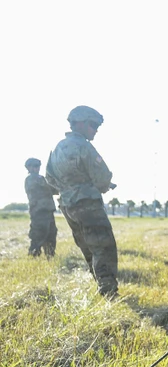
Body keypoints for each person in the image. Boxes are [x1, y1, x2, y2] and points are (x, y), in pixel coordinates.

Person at [45, 106, 119, 298]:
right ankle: (109, 292)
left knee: (88, 248)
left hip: (68, 206)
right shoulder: (84, 146)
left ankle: (101, 285)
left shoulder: (57, 148)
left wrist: (68, 188)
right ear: (79, 123)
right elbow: (103, 177)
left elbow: (49, 179)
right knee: (103, 246)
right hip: (88, 204)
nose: (95, 130)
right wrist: (101, 186)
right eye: (93, 125)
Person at [24, 157, 58, 257]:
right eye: (34, 166)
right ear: (28, 168)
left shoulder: (41, 178)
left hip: (47, 210)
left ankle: (50, 256)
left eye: (38, 166)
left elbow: (53, 189)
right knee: (38, 235)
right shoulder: (31, 178)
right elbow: (49, 187)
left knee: (51, 234)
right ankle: (33, 256)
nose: (36, 168)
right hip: (39, 211)